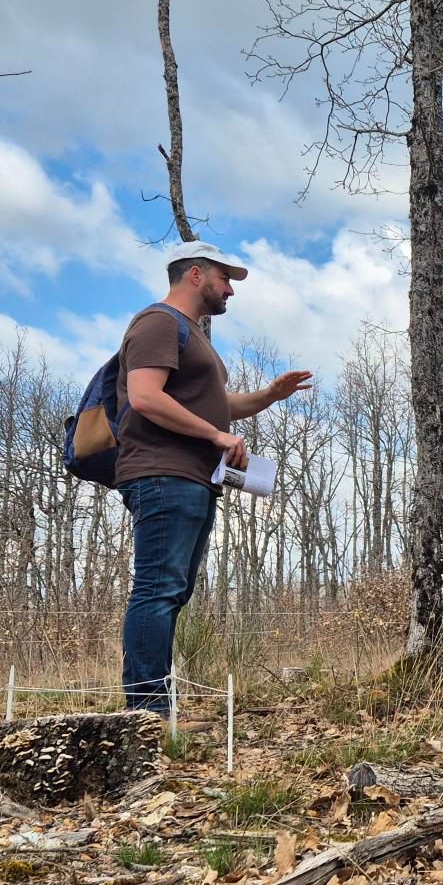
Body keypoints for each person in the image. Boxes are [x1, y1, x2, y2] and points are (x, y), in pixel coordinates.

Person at [117, 241, 312, 711]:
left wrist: (269, 395)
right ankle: (147, 714)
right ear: (195, 275)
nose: (231, 290)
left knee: (172, 592)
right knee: (158, 589)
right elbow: (145, 396)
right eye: (225, 278)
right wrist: (216, 435)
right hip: (162, 473)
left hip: (192, 478)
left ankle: (154, 709)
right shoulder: (159, 322)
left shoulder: (191, 334)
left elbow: (217, 405)